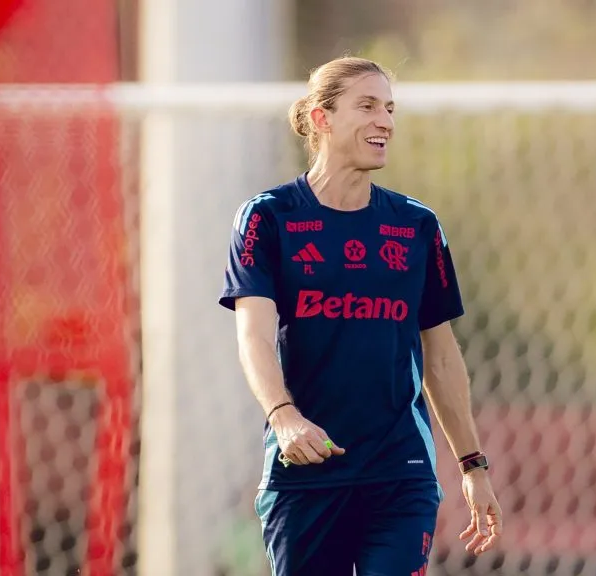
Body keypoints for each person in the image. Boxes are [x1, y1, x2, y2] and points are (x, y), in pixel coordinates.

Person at [219, 56, 503, 576]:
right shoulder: (267, 217)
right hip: (303, 472)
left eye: (390, 109)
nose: (386, 122)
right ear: (322, 118)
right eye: (367, 106)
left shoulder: (417, 226)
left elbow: (441, 360)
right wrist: (284, 417)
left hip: (400, 472)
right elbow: (254, 335)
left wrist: (472, 466)